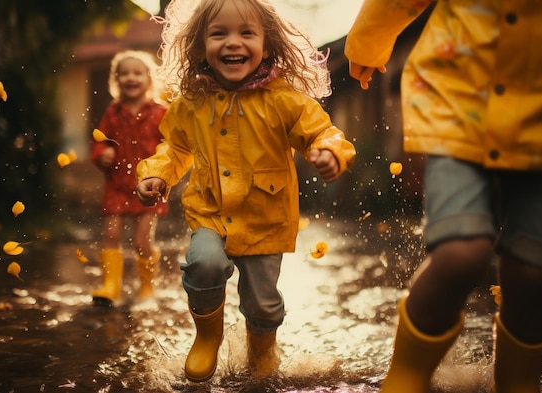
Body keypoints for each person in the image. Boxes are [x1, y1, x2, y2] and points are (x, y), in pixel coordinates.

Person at [345, 1, 542, 392]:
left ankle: (518, 382)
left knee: (534, 272)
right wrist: (368, 41)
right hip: (458, 102)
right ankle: (404, 377)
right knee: (461, 252)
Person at [136, 0, 356, 382]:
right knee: (203, 264)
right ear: (200, 45)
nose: (232, 43)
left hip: (266, 221)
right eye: (218, 34)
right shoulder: (192, 103)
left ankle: (262, 352)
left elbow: (322, 132)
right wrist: (157, 175)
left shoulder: (285, 100)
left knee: (264, 304)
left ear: (267, 45)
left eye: (246, 33)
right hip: (210, 212)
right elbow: (174, 149)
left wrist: (329, 153)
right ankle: (207, 337)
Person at [91, 50, 168, 304]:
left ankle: (147, 288)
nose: (130, 78)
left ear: (149, 79)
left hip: (148, 186)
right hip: (116, 184)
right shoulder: (113, 112)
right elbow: (99, 140)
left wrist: (162, 171)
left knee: (141, 239)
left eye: (137, 73)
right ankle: (111, 286)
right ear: (116, 80)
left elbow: (171, 146)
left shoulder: (160, 112)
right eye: (124, 74)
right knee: (111, 235)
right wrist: (102, 153)